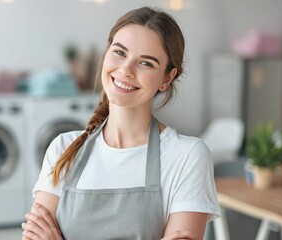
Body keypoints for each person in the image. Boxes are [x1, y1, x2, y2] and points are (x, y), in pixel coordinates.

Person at [22, 6, 220, 240]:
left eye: (146, 63)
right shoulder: (63, 149)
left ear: (167, 78)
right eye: (119, 52)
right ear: (106, 54)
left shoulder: (187, 156)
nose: (125, 70)